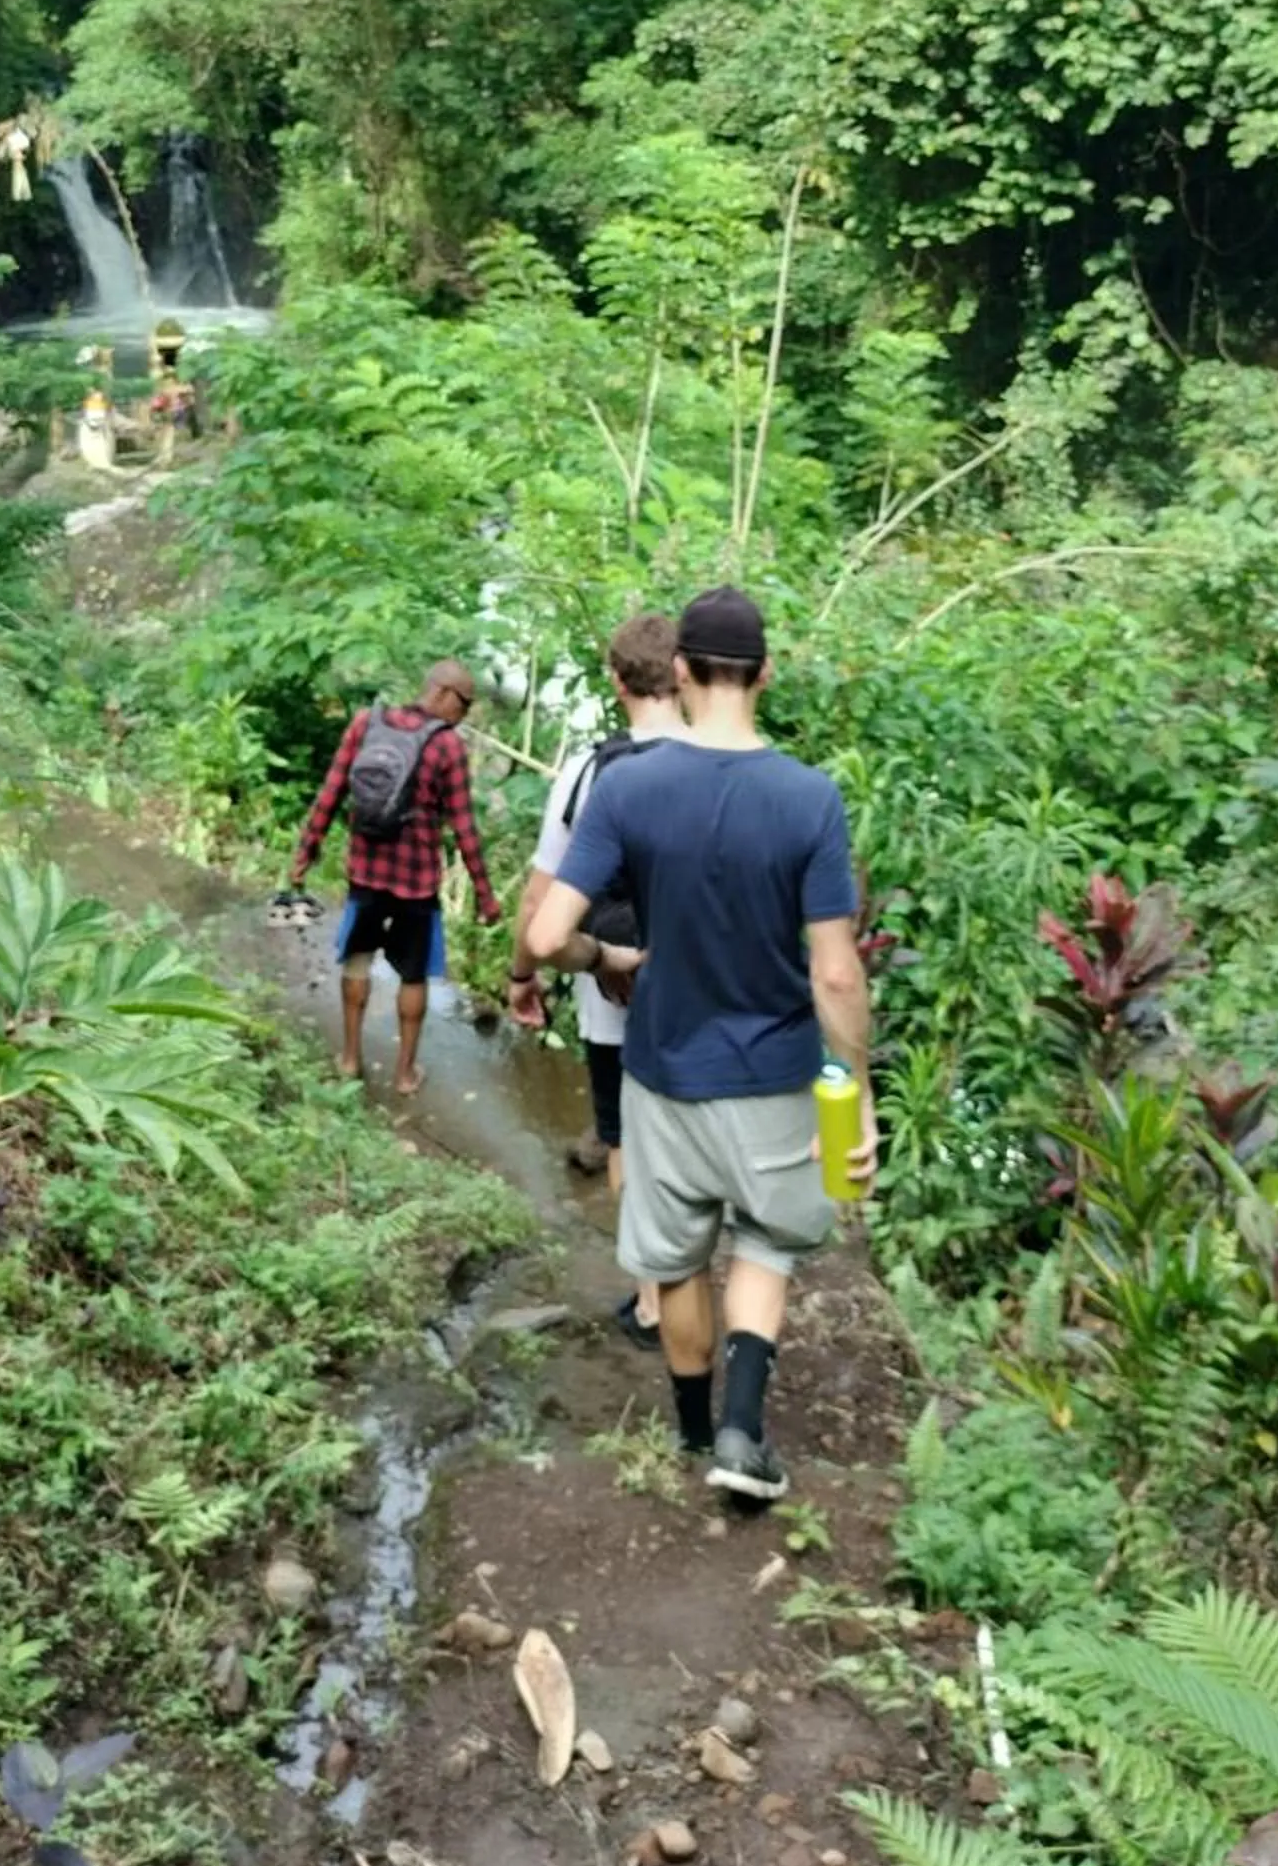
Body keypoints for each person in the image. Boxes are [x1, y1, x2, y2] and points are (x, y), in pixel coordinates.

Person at [527, 587, 878, 1506]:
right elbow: (837, 975)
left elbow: (544, 937)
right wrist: (859, 1094)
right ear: (765, 675)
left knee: (677, 1258)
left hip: (663, 1071)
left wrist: (605, 955)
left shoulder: (631, 787)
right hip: (775, 1073)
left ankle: (689, 1433)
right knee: (764, 1243)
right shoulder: (809, 799)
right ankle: (742, 1432)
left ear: (679, 671)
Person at [506, 611, 684, 1350]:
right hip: (702, 994)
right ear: (684, 675)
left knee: (625, 1143)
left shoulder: (590, 768)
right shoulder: (727, 760)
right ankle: (699, 1290)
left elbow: (541, 896)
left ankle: (653, 1301)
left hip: (612, 992)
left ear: (616, 682)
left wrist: (522, 975)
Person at [289, 659, 504, 1095]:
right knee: (412, 976)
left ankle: (349, 1059)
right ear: (443, 694)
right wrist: (485, 896)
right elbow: (464, 828)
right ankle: (404, 1075)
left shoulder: (366, 723)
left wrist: (306, 852)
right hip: (416, 884)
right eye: (464, 705)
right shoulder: (446, 747)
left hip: (365, 873)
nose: (463, 716)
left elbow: (332, 792)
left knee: (357, 961)